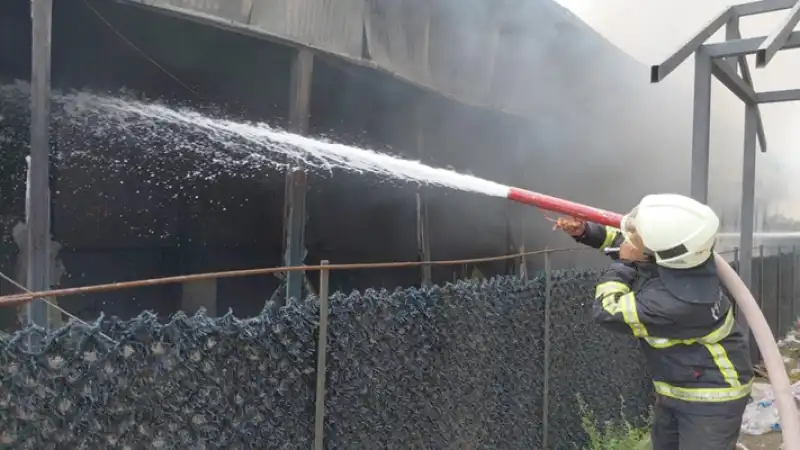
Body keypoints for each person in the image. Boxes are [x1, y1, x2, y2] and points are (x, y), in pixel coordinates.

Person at [554, 193, 752, 450]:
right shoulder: (684, 262)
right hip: (678, 385)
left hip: (712, 398)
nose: (630, 239)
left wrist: (623, 265)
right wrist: (585, 231)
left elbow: (607, 309)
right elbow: (631, 244)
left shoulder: (678, 302)